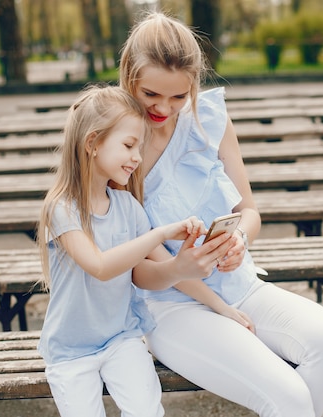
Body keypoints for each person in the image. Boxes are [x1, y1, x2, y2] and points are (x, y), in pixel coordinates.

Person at [120, 12, 323, 417]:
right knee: (289, 397)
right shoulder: (115, 139)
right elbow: (136, 261)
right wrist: (184, 270)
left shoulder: (210, 119)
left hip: (239, 284)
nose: (165, 107)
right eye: (152, 94)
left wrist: (239, 240)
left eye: (179, 96)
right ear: (129, 79)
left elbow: (249, 211)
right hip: (168, 304)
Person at [36, 84, 210, 417]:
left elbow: (155, 271)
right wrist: (159, 232)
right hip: (71, 351)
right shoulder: (62, 208)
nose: (137, 158)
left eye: (140, 147)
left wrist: (186, 271)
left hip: (121, 338)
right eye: (129, 145)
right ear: (92, 144)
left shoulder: (127, 206)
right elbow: (100, 266)